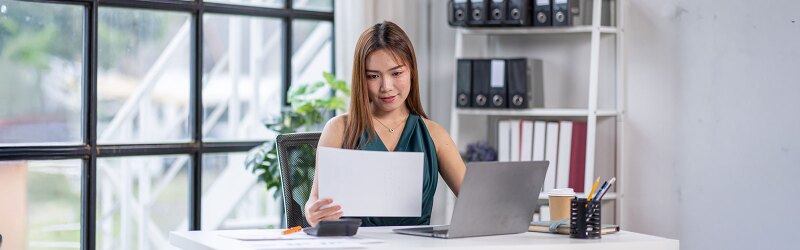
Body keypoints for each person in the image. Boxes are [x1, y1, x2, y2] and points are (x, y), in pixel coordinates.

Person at [304, 21, 467, 227]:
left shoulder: (435, 134)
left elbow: (475, 202)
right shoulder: (339, 129)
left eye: (396, 73)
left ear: (412, 72)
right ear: (361, 79)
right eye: (373, 76)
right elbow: (314, 201)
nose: (386, 87)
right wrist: (313, 212)